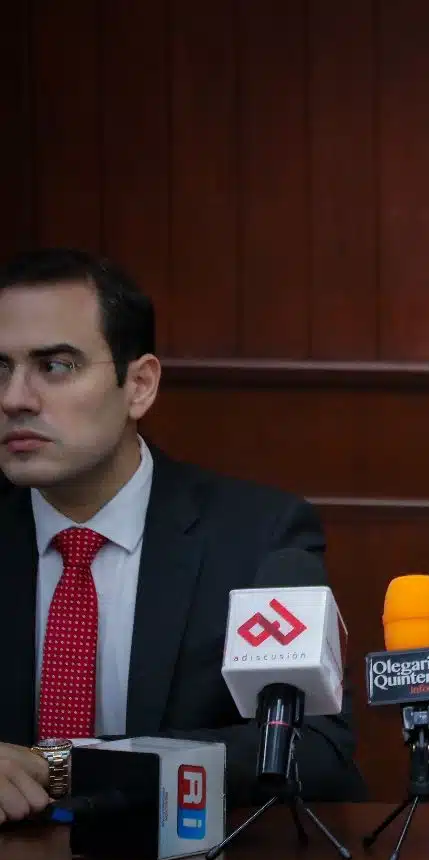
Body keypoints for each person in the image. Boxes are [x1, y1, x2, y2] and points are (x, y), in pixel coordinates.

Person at [0, 248, 365, 823]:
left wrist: (67, 765)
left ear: (139, 386)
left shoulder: (256, 539)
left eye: (56, 366)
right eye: (0, 369)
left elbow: (314, 751)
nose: (14, 398)